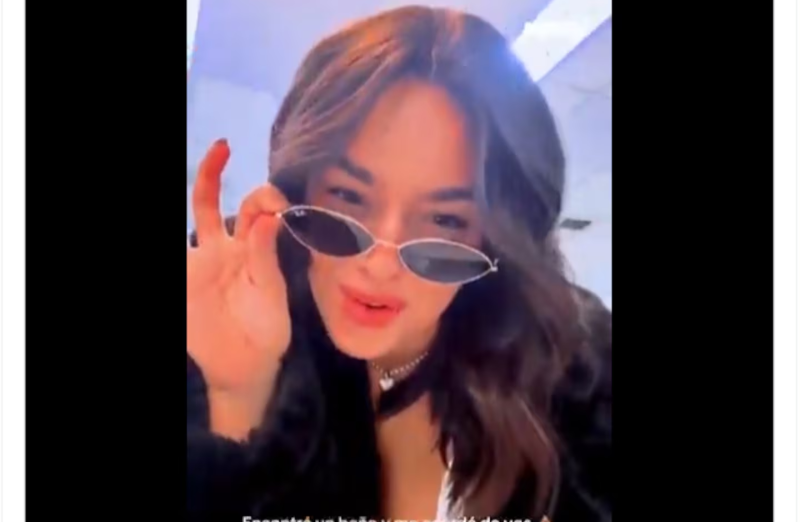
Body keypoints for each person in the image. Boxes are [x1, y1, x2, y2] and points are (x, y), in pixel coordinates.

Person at [186, 6, 612, 522]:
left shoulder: (578, 372)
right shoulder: (227, 310)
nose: (381, 263)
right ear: (301, 188)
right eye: (348, 196)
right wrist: (237, 398)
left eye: (444, 220)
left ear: (496, 236)